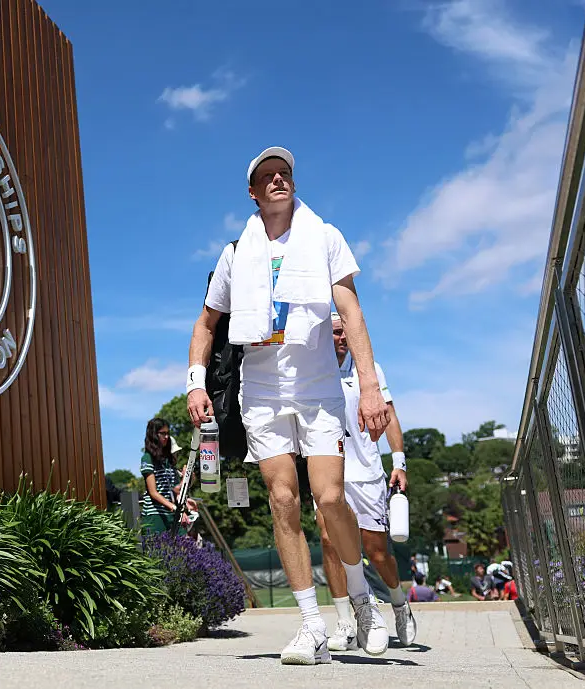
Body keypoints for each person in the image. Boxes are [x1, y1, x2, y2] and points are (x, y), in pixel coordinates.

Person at [186, 146, 392, 665]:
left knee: (328, 498)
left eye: (285, 174)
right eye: (267, 176)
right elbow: (207, 324)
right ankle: (310, 626)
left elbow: (350, 308)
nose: (278, 180)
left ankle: (361, 599)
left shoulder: (325, 237)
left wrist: (368, 384)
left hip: (318, 383)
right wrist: (195, 384)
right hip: (261, 389)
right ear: (253, 192)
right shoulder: (236, 253)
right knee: (282, 499)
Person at [317, 312, 417, 651]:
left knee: (376, 553)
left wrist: (399, 462)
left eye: (345, 332)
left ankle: (399, 603)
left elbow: (388, 416)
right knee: (329, 542)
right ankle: (345, 620)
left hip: (367, 476)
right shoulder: (315, 371)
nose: (341, 338)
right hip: (331, 474)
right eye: (334, 333)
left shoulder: (369, 370)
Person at [139, 417, 195, 535]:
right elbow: (153, 492)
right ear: (154, 435)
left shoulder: (167, 461)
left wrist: (188, 478)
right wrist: (175, 508)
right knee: (157, 551)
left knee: (183, 548)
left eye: (168, 433)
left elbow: (175, 489)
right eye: (163, 433)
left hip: (172, 512)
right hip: (155, 514)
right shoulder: (147, 458)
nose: (166, 437)